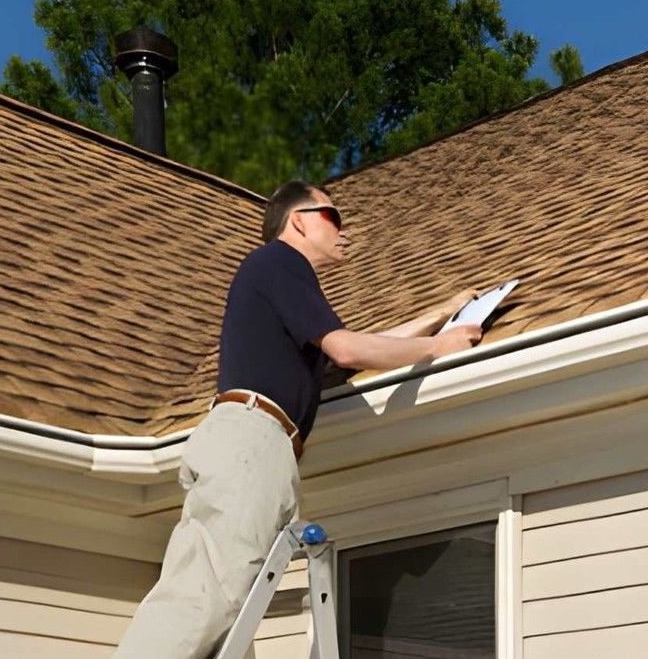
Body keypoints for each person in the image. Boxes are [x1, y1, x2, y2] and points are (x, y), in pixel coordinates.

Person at [114, 180, 481, 658]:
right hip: (253, 442)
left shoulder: (278, 292)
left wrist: (440, 317)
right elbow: (346, 346)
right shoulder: (280, 261)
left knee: (226, 621)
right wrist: (438, 347)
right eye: (334, 216)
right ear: (298, 220)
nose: (344, 230)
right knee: (203, 599)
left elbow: (353, 351)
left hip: (248, 443)